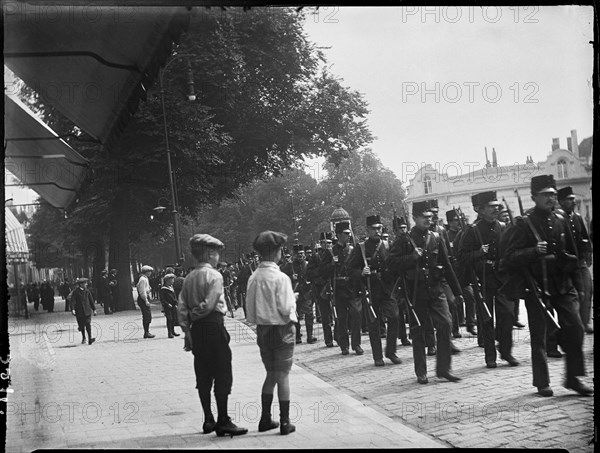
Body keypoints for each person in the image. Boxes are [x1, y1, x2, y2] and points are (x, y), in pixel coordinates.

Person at [500, 174, 592, 397]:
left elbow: (573, 254)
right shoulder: (523, 224)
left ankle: (573, 378)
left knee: (576, 328)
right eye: (546, 195)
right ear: (534, 197)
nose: (551, 198)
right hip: (537, 286)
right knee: (539, 337)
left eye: (553, 194)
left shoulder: (561, 219)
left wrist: (576, 284)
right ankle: (542, 382)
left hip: (562, 284)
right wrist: (533, 251)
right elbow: (508, 257)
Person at [178, 233, 247, 437]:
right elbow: (209, 304)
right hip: (213, 325)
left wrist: (187, 329)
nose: (218, 257)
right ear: (209, 254)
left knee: (203, 373)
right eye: (216, 253)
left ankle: (208, 419)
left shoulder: (189, 278)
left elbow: (181, 308)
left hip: (197, 330)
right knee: (222, 372)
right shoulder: (215, 276)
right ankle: (223, 419)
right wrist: (196, 313)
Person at [388, 201, 462, 384]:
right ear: (414, 218)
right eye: (424, 217)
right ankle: (421, 371)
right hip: (415, 292)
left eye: (430, 217)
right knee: (418, 331)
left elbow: (446, 264)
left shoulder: (436, 237)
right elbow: (391, 264)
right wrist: (411, 258)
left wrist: (457, 291)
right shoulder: (404, 240)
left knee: (445, 324)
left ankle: (444, 369)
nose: (429, 220)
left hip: (436, 290)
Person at [457, 191, 519, 369]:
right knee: (486, 319)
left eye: (496, 205)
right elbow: (461, 257)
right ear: (480, 210)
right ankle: (490, 356)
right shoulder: (471, 231)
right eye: (491, 206)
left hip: (501, 277)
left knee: (507, 315)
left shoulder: (502, 226)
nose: (495, 208)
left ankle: (506, 352)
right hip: (482, 280)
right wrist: (479, 253)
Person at [246, 230, 298, 435]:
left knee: (270, 374)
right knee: (283, 375)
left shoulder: (253, 278)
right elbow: (286, 309)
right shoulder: (281, 278)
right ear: (277, 251)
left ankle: (265, 418)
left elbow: (250, 312)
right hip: (282, 330)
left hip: (263, 332)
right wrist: (293, 299)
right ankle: (285, 422)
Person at [348, 214, 401, 367]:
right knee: (373, 324)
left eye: (379, 228)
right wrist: (361, 273)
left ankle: (391, 351)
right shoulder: (361, 248)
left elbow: (394, 265)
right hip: (370, 290)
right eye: (374, 229)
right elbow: (350, 269)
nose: (377, 231)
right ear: (368, 230)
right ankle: (377, 356)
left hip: (387, 290)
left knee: (394, 317)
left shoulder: (388, 245)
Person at [321, 221, 364, 355]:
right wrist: (332, 265)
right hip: (338, 288)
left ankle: (356, 344)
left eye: (348, 233)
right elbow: (322, 271)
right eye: (345, 234)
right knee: (341, 318)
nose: (348, 236)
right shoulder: (330, 251)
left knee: (357, 315)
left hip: (352, 287)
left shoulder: (353, 249)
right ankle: (344, 345)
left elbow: (359, 266)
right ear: (338, 235)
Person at [557, 186, 593, 334]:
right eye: (568, 200)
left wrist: (588, 253)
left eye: (573, 199)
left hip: (580, 262)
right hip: (566, 265)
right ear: (560, 202)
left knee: (587, 289)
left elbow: (584, 236)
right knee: (570, 296)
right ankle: (572, 325)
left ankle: (585, 322)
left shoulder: (577, 217)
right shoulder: (557, 218)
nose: (572, 201)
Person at [281, 244, 316, 344]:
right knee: (295, 316)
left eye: (302, 253)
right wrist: (291, 277)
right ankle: (297, 336)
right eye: (298, 254)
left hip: (306, 292)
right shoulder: (289, 266)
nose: (300, 255)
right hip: (294, 294)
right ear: (294, 255)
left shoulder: (308, 264)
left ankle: (310, 335)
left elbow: (313, 275)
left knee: (309, 314)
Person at [308, 239, 334, 348]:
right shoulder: (316, 257)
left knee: (339, 315)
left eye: (329, 243)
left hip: (335, 286)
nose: (327, 245)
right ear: (321, 244)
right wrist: (321, 273)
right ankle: (328, 339)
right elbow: (310, 273)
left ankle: (339, 336)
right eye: (325, 243)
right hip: (321, 288)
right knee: (325, 315)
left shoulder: (335, 253)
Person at [71, 278, 96, 345]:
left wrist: (94, 309)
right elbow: (73, 301)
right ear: (81, 284)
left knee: (88, 324)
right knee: (82, 326)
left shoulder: (87, 291)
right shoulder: (76, 292)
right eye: (85, 283)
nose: (86, 284)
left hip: (87, 311)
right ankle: (84, 337)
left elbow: (91, 301)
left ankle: (90, 338)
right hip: (79, 312)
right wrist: (73, 309)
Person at [160, 273, 180, 338]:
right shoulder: (163, 289)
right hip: (167, 306)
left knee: (174, 318)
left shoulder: (171, 287)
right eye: (172, 280)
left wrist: (176, 303)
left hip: (173, 306)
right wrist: (167, 304)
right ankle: (169, 332)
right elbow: (162, 299)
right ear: (167, 281)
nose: (173, 281)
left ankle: (173, 331)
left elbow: (175, 297)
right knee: (169, 319)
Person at [137, 265, 155, 338]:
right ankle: (146, 332)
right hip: (143, 299)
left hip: (145, 297)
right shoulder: (143, 279)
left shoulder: (145, 279)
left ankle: (147, 331)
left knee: (148, 316)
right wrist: (146, 300)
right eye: (149, 271)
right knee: (146, 316)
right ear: (146, 272)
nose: (150, 273)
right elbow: (142, 291)